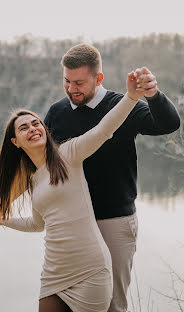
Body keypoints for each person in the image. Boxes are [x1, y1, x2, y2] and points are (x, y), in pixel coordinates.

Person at [0, 71, 145, 312]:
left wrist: (131, 98)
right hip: (55, 272)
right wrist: (2, 219)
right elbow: (37, 224)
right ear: (15, 142)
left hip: (90, 270)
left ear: (45, 129)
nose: (33, 129)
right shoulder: (32, 181)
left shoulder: (69, 154)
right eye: (24, 128)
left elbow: (103, 130)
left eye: (36, 123)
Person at [43, 44, 181, 312]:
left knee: (111, 305)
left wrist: (153, 94)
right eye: (67, 82)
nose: (72, 89)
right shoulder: (56, 112)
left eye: (79, 83)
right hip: (70, 225)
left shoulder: (122, 105)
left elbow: (168, 124)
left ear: (99, 78)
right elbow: (42, 166)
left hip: (114, 223)